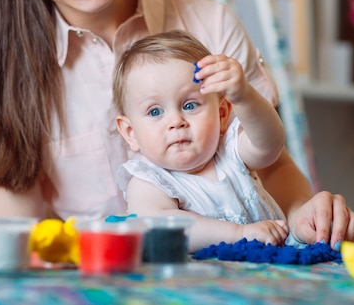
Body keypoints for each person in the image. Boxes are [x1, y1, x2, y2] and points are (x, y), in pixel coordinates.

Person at [0, 0, 354, 250]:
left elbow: (270, 163)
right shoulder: (5, 73)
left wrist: (304, 215)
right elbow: (17, 240)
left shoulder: (211, 25)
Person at [114, 30, 291, 251]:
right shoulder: (149, 182)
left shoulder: (229, 152)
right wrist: (240, 234)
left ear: (222, 114)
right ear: (130, 132)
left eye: (190, 105)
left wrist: (244, 96)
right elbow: (159, 227)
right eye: (155, 111)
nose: (176, 122)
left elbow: (270, 144)